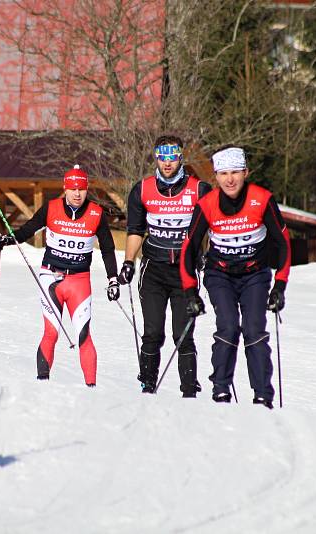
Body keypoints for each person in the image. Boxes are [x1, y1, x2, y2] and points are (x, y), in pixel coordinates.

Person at [179, 146, 291, 410]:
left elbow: (283, 243)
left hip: (255, 275)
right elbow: (189, 247)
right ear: (216, 176)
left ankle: (263, 394)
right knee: (228, 326)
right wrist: (190, 292)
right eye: (223, 173)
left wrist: (280, 285)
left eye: (236, 173)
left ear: (246, 172)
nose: (230, 180)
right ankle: (220, 389)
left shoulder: (262, 199)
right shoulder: (207, 204)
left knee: (253, 330)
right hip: (220, 275)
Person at [0, 165, 119, 386]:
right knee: (51, 332)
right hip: (50, 277)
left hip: (79, 282)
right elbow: (27, 230)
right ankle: (42, 384)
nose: (77, 194)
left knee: (83, 335)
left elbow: (108, 249)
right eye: (72, 189)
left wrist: (112, 279)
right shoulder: (51, 208)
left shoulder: (96, 213)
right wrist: (7, 239)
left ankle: (91, 388)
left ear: (87, 189)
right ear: (65, 188)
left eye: (81, 189)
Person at [117, 135, 212, 397]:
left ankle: (189, 390)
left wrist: (207, 254)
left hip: (184, 271)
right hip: (154, 270)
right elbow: (135, 229)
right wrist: (128, 262)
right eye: (162, 157)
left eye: (172, 157)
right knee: (152, 333)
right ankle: (148, 385)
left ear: (180, 157)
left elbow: (214, 226)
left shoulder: (199, 189)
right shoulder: (142, 189)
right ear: (156, 158)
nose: (167, 163)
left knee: (183, 334)